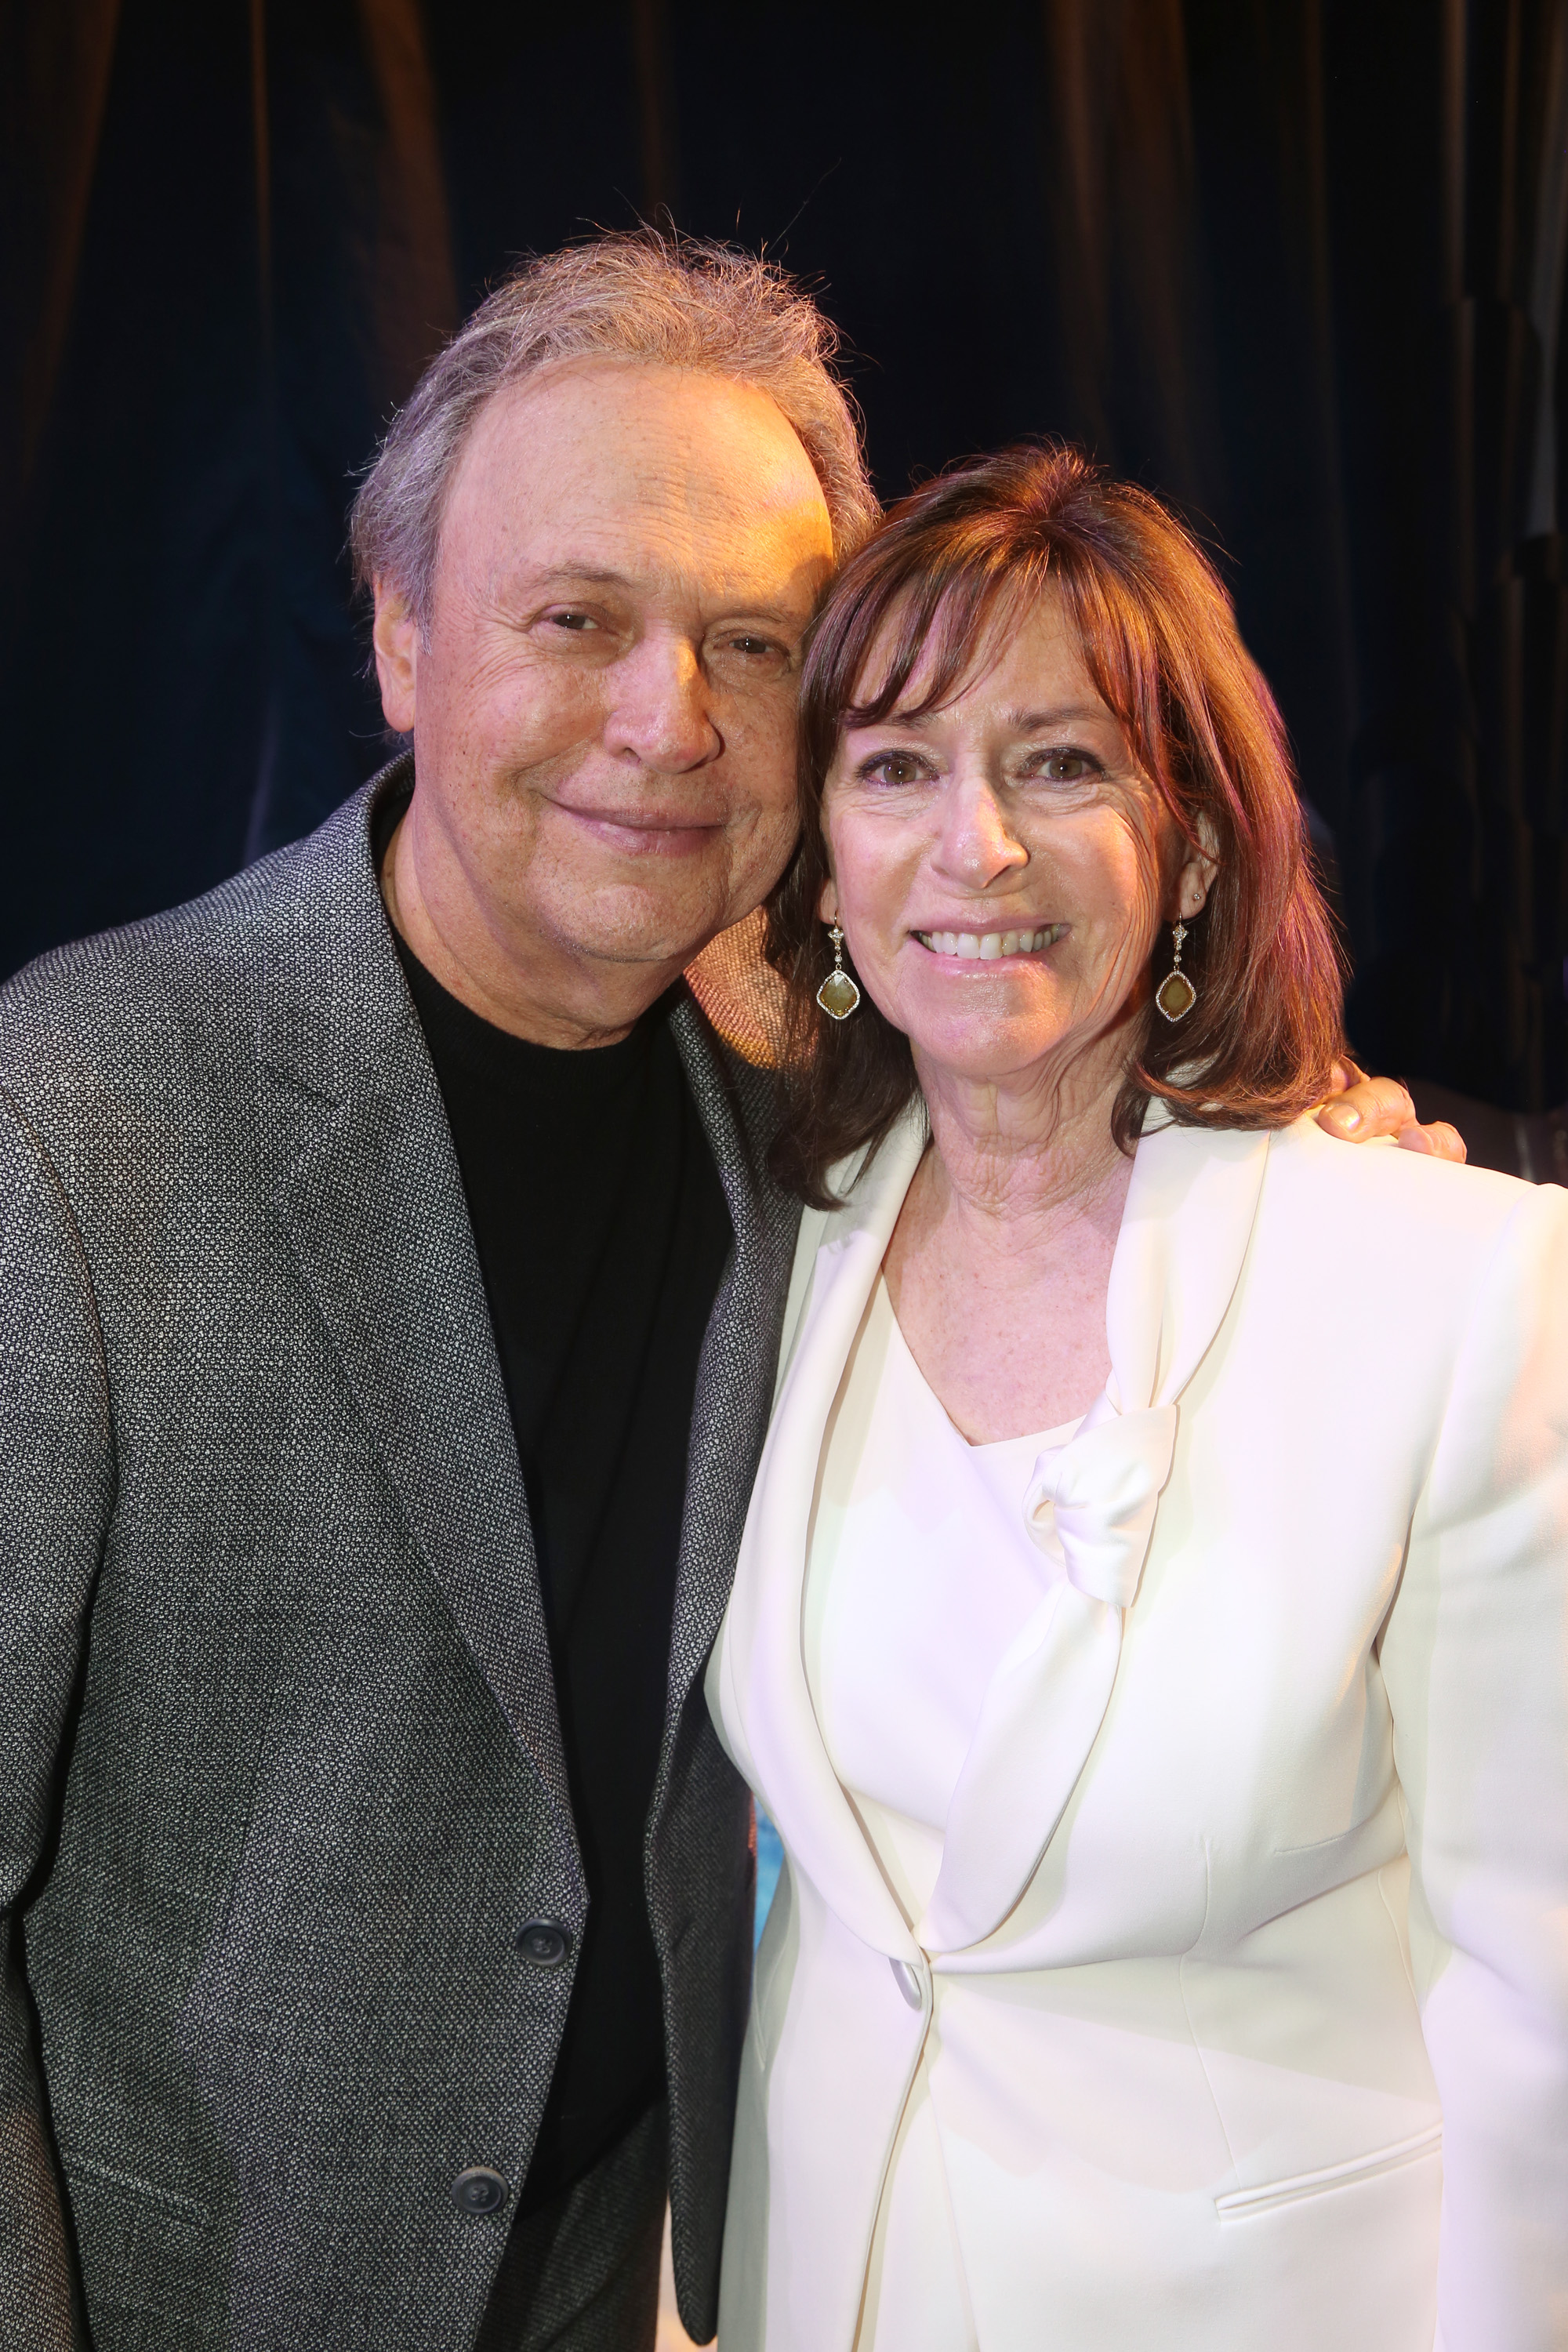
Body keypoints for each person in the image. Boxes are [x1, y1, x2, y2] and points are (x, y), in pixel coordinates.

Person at [0, 234, 1457, 2352]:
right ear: (403, 638)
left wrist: (1309, 1163)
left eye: (753, 644)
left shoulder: (822, 1135)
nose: (664, 725)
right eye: (575, 620)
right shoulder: (77, 1112)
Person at [707, 443, 1568, 2352]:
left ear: (1188, 849)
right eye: (899, 769)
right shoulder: (768, 1253)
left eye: (1061, 763)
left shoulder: (1447, 1286)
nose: (974, 850)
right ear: (823, 849)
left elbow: (1540, 2005)